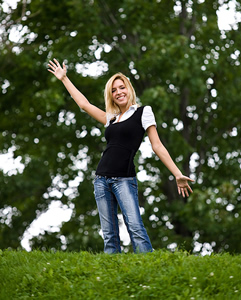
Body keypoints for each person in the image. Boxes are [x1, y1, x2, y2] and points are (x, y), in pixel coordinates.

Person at [48, 58, 194, 254]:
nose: (118, 92)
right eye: (114, 90)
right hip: (101, 179)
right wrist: (64, 78)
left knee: (136, 228)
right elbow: (84, 104)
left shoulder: (143, 112)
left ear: (129, 89)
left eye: (121, 87)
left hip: (124, 179)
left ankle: (150, 270)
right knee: (109, 236)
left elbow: (157, 145)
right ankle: (112, 276)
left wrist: (177, 174)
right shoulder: (111, 118)